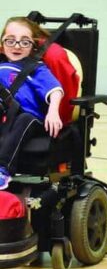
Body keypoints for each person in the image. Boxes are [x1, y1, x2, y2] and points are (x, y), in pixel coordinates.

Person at [0, 17, 64, 189]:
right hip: (3, 115)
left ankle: (3, 170)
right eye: (10, 40)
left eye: (25, 42)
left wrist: (53, 111)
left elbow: (55, 90)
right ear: (2, 43)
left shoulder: (36, 68)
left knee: (24, 119)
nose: (17, 45)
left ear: (33, 47)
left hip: (29, 118)